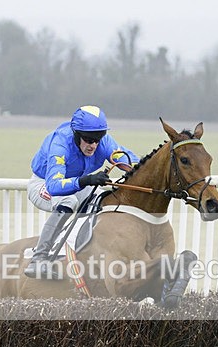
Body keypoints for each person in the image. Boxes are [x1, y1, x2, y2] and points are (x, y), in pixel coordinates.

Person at [24, 105, 138, 279]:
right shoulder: (60, 144)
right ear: (76, 134)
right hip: (45, 183)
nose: (93, 145)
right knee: (68, 201)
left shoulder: (103, 142)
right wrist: (86, 180)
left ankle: (87, 251)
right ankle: (39, 259)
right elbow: (54, 186)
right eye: (88, 139)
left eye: (98, 139)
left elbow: (128, 162)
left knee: (103, 200)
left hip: (76, 184)